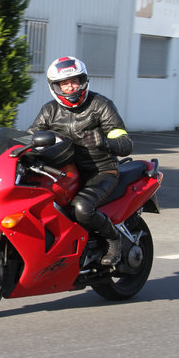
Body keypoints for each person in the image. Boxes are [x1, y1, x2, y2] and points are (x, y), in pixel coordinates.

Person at [28, 56, 133, 265]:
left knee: (81, 208)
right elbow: (31, 137)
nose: (70, 87)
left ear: (83, 81)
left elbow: (125, 144)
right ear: (55, 87)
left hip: (100, 170)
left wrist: (104, 141)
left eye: (74, 81)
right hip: (63, 172)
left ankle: (114, 239)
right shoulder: (49, 111)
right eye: (64, 84)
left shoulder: (101, 105)